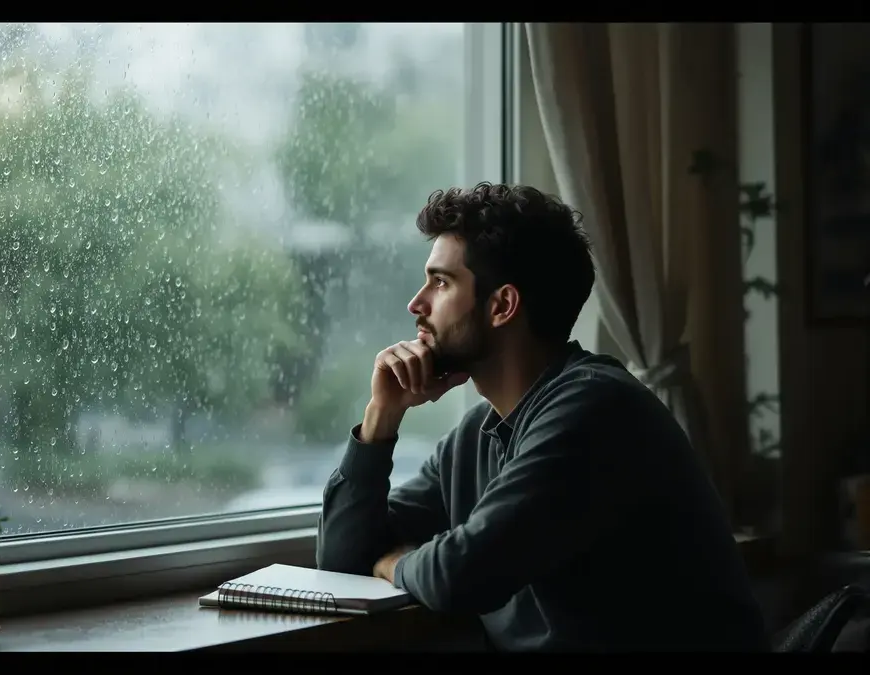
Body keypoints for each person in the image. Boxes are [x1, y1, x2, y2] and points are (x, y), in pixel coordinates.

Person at [315, 183, 769, 652]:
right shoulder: (475, 436)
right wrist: (380, 418)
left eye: (442, 282)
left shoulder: (594, 410)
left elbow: (461, 575)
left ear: (503, 306)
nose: (417, 303)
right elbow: (341, 564)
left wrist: (395, 563)